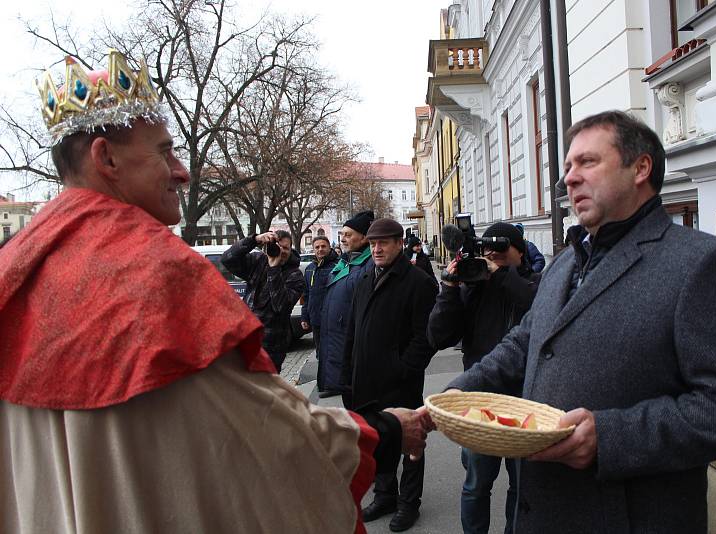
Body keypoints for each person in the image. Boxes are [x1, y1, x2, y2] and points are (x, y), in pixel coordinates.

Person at [0, 51, 434, 534]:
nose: (182, 170)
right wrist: (384, 431)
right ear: (106, 158)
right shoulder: (156, 271)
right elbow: (262, 435)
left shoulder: (13, 268)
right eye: (164, 151)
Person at [437, 110, 716, 533]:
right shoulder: (564, 265)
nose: (569, 179)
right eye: (567, 168)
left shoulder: (702, 264)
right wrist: (455, 396)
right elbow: (524, 345)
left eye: (587, 162)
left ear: (640, 168)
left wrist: (611, 437)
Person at [427, 222, 540, 534]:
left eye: (500, 248)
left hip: (525, 401)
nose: (491, 253)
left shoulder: (535, 282)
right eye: (485, 248)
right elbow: (438, 336)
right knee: (476, 483)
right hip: (479, 402)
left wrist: (500, 275)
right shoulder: (474, 289)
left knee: (521, 486)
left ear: (519, 250)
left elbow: (536, 306)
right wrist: (449, 290)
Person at [342, 218, 438, 532]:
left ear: (399, 243)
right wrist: (347, 372)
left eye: (383, 243)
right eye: (372, 244)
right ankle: (385, 495)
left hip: (401, 382)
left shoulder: (419, 281)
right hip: (365, 380)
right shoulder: (364, 278)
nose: (377, 249)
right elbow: (353, 331)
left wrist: (403, 368)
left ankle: (409, 503)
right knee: (376, 440)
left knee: (411, 441)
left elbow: (424, 338)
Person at [222, 228, 304, 373]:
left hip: (271, 346)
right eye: (278, 246)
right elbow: (227, 259)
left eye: (286, 248)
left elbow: (280, 306)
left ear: (291, 249)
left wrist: (274, 268)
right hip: (246, 340)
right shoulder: (257, 261)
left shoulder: (295, 276)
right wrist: (254, 239)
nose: (282, 251)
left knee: (265, 390)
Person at [317, 210, 375, 398]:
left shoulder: (370, 262)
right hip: (335, 332)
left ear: (364, 237)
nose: (342, 239)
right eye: (342, 234)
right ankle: (333, 384)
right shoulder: (344, 261)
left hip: (352, 332)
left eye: (348, 235)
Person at [301, 235, 339, 364]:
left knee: (334, 354)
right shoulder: (309, 269)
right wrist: (305, 317)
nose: (320, 249)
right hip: (316, 319)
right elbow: (306, 295)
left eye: (323, 246)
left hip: (334, 319)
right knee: (320, 354)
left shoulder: (338, 266)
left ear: (329, 248)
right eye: (317, 247)